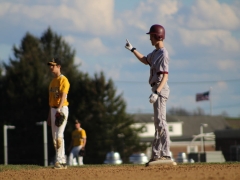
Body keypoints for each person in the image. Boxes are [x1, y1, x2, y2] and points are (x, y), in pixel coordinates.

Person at [125, 24, 172, 166]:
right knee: (157, 122)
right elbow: (145, 60)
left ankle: (166, 153)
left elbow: (165, 77)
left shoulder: (163, 53)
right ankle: (157, 154)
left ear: (158, 36)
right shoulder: (156, 52)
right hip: (156, 89)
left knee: (161, 121)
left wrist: (157, 92)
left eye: (151, 35)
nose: (150, 38)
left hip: (160, 89)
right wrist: (133, 49)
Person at [47, 57, 70, 169]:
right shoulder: (52, 82)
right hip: (53, 109)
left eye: (53, 65)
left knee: (59, 136)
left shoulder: (63, 80)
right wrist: (49, 116)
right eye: (50, 65)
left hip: (62, 108)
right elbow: (51, 101)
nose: (51, 67)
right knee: (54, 139)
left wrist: (59, 110)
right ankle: (62, 161)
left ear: (59, 66)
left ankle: (59, 161)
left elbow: (63, 96)